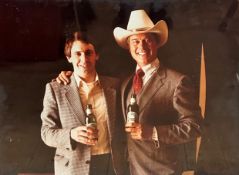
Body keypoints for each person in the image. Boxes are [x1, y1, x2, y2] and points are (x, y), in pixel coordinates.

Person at [56, 9, 203, 175]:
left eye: (147, 40)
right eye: (135, 42)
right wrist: (69, 75)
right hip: (129, 170)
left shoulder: (177, 82)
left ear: (157, 43)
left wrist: (153, 132)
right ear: (128, 46)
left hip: (162, 171)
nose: (141, 47)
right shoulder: (124, 83)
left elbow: (195, 126)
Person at [41, 31, 128, 175]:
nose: (84, 58)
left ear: (96, 55)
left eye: (88, 53)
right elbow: (46, 133)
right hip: (74, 168)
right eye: (78, 54)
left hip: (112, 165)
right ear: (69, 58)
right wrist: (71, 134)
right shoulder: (55, 89)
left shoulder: (115, 86)